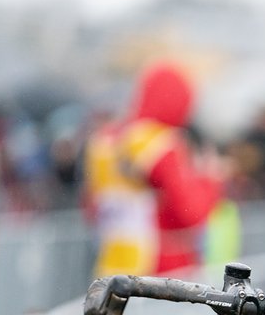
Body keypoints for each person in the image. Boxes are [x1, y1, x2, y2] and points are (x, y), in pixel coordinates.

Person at [82, 62, 221, 276]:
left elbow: (91, 207)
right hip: (160, 270)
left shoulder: (103, 141)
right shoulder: (160, 143)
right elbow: (190, 214)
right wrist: (210, 180)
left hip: (112, 265)